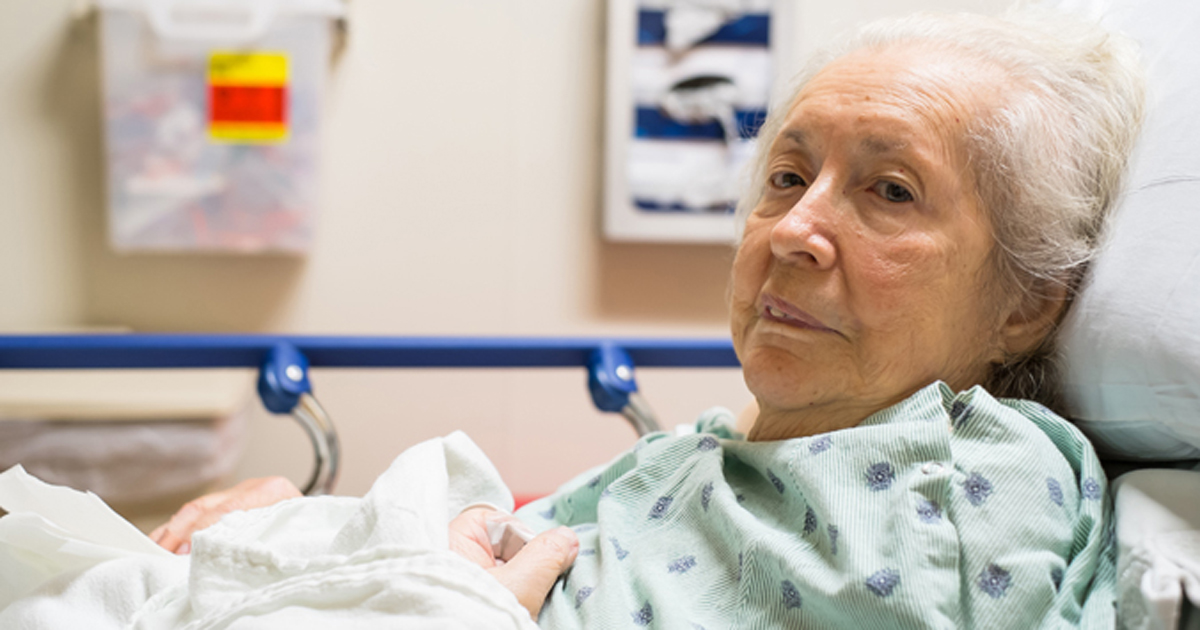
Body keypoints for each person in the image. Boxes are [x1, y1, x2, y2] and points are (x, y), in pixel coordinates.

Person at [151, 7, 1145, 628]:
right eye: (787, 175)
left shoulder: (960, 504)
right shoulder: (733, 455)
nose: (793, 228)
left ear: (1026, 304)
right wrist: (310, 532)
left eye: (890, 192)